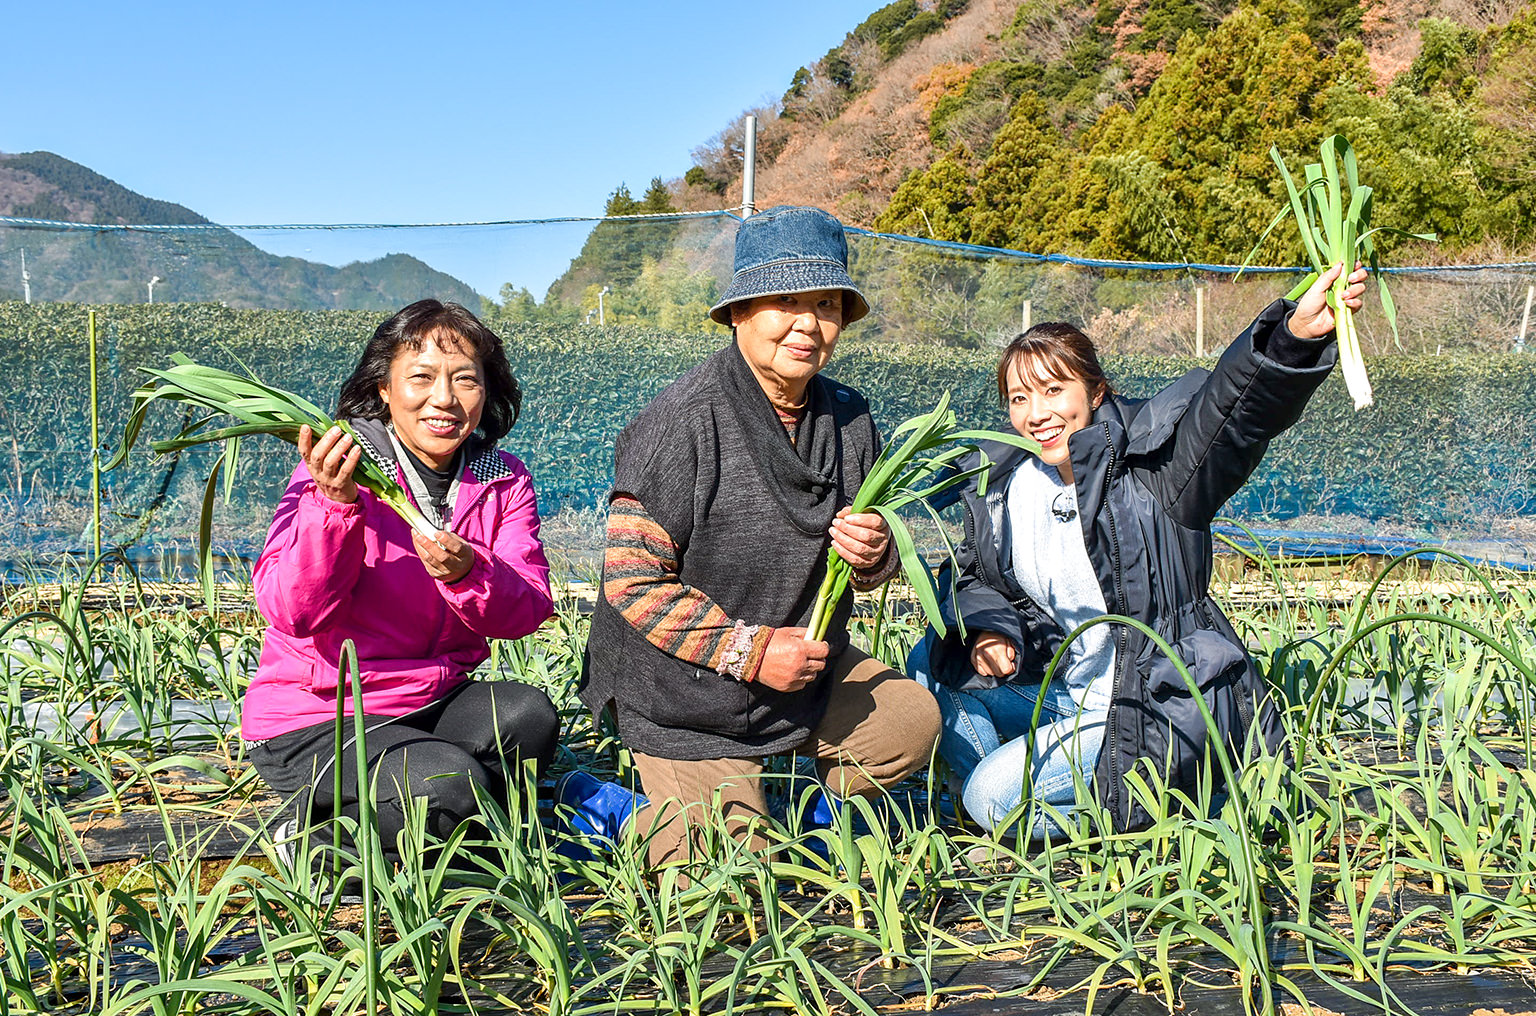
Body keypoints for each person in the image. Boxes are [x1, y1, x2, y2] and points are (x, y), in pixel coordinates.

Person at [908, 263, 1370, 836]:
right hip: (1062, 696)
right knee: (929, 667)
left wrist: (1291, 338)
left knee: (989, 797)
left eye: (1055, 391)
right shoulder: (1008, 484)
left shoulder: (1154, 470)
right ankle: (1036, 791)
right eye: (1018, 397)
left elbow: (1233, 413)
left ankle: (1169, 810)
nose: (1036, 414)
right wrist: (990, 629)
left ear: (1096, 392)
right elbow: (978, 577)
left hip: (1148, 706)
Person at [571, 206, 941, 867]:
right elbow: (630, 582)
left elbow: (867, 554)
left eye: (827, 303)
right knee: (733, 878)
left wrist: (876, 553)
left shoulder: (849, 420)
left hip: (799, 676)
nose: (808, 323)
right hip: (683, 691)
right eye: (786, 301)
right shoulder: (684, 422)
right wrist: (750, 651)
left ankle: (778, 797)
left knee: (910, 725)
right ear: (740, 311)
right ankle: (617, 811)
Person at [242, 299, 559, 862]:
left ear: (487, 392)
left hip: (433, 696)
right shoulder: (341, 467)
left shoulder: (501, 479)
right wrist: (334, 508)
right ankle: (313, 841)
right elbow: (290, 609)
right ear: (385, 389)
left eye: (465, 379)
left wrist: (469, 573)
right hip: (323, 716)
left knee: (528, 719)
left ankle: (435, 825)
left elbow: (528, 607)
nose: (444, 399)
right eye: (421, 378)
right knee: (454, 783)